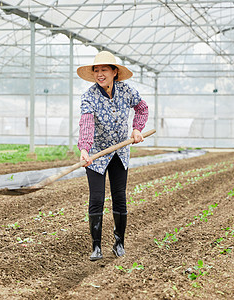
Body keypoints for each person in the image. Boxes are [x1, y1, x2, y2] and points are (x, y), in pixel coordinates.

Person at [76, 51, 149, 261]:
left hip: (120, 151)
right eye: (96, 70)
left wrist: (137, 129)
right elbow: (87, 123)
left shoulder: (126, 91)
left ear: (114, 72)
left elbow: (142, 108)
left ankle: (119, 244)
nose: (100, 74)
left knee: (119, 197)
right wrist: (85, 149)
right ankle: (96, 247)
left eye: (104, 70)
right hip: (96, 153)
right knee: (96, 199)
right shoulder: (89, 96)